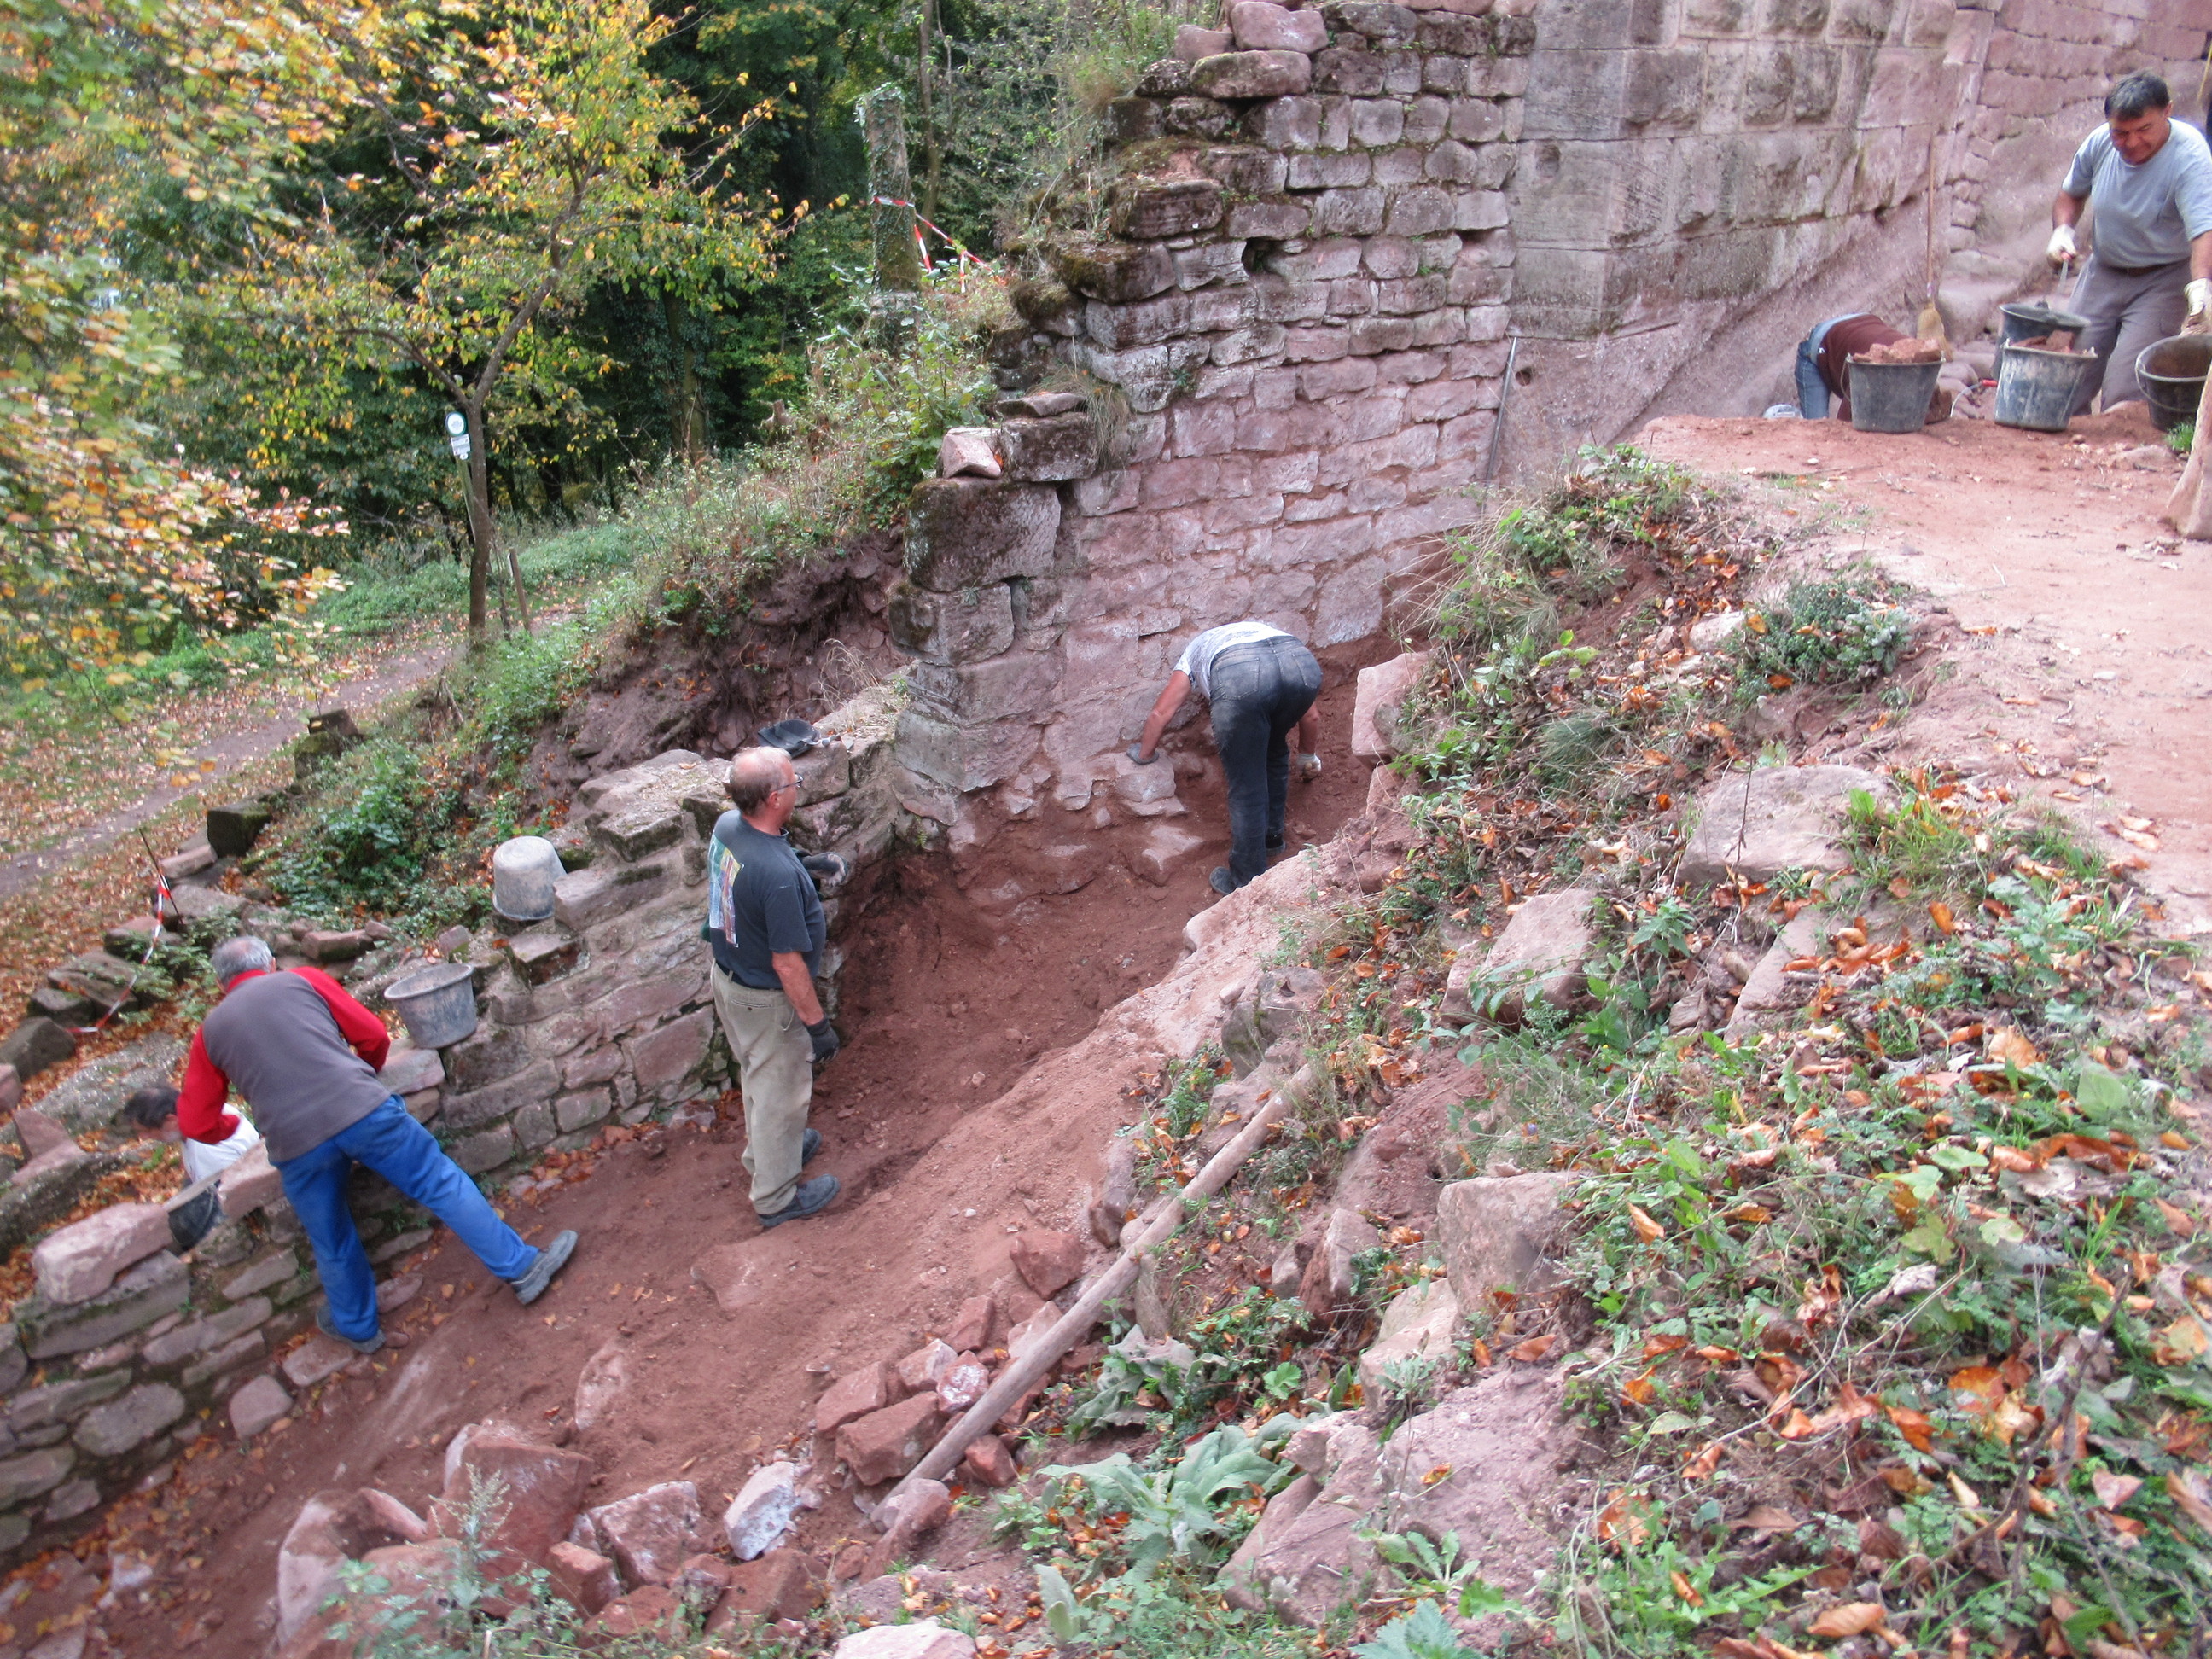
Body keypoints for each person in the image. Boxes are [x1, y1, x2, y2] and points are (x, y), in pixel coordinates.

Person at [180, 937, 576, 1354]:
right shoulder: (304, 980)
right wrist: (360, 1076)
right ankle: (522, 1268)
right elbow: (372, 1035)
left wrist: (232, 1126)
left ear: (222, 985)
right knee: (439, 1182)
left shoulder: (209, 1033)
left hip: (296, 1145)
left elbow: (195, 1124)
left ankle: (356, 1326)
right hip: (363, 1112)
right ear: (271, 964)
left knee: (330, 1235)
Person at [705, 746, 841, 1229]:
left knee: (758, 1078)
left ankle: (772, 1152)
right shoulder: (778, 879)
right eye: (792, 782)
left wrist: (802, 861)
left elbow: (754, 865)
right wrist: (817, 1027)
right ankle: (776, 1198)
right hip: (767, 1001)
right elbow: (788, 965)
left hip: (729, 980)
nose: (797, 788)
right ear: (773, 798)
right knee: (781, 1093)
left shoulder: (728, 826)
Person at [2049, 72, 2212, 416]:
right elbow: (2070, 194)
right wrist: (2062, 231)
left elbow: (2203, 231)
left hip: (2162, 281)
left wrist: (2201, 286)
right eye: (2121, 133)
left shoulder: (2191, 157)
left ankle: (2115, 447)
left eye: (2144, 129)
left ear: (2167, 112)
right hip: (2103, 271)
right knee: (2064, 380)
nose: (2132, 142)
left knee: (2127, 390)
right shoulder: (2099, 142)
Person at [1127, 621, 1324, 896]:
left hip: (1239, 676)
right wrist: (1306, 756)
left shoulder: (1193, 654)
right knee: (1275, 747)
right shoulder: (1261, 631)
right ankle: (1272, 838)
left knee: (1247, 785)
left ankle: (1246, 878)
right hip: (1300, 661)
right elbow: (1311, 716)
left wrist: (1144, 754)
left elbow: (1161, 713)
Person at [125, 1082, 261, 1249]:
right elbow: (189, 1174)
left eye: (146, 1131)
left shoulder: (209, 1150)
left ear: (170, 1120)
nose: (143, 1137)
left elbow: (229, 1205)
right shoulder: (201, 1116)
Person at [1790, 316, 1948, 423]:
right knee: (1817, 428)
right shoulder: (1870, 372)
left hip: (1862, 323)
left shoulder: (1918, 361)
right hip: (1819, 345)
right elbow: (1843, 426)